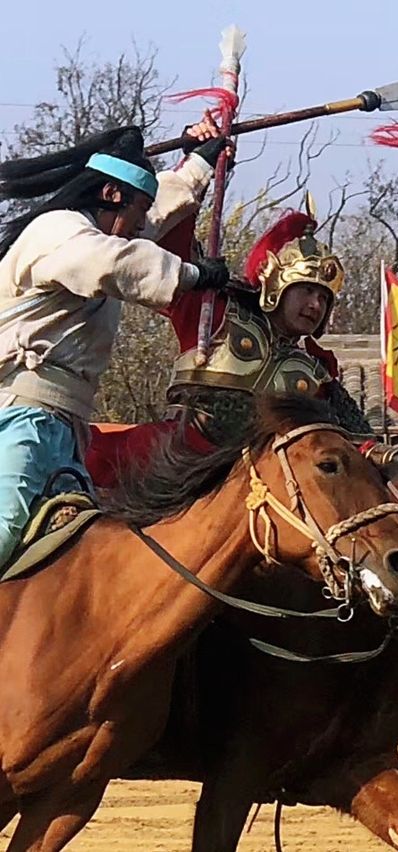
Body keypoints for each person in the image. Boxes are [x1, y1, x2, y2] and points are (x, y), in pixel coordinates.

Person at [0, 114, 231, 568]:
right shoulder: (59, 232)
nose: (144, 223)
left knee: (78, 560)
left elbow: (149, 222)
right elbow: (114, 262)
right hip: (20, 417)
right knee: (4, 528)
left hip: (65, 430)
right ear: (111, 194)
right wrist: (192, 274)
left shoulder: (98, 231)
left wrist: (198, 165)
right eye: (137, 210)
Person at [87, 201, 373, 486]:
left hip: (258, 480)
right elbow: (169, 242)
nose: (315, 305)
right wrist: (198, 174)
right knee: (84, 463)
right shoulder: (216, 311)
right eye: (307, 291)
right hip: (180, 455)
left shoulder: (316, 372)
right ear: (277, 286)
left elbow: (356, 440)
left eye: (324, 298)